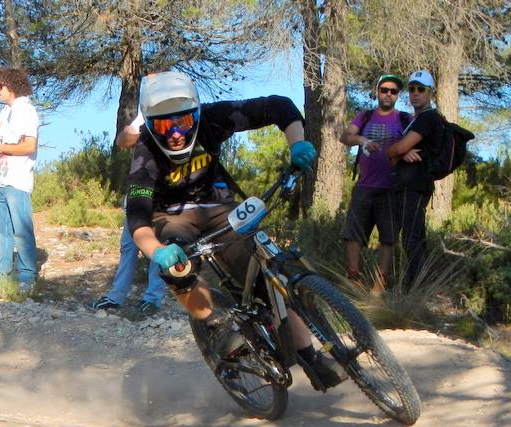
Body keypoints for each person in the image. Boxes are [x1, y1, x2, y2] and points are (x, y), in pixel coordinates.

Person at [125, 71, 346, 388]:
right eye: (163, 125)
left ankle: (311, 358)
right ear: (150, 125)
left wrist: (297, 144)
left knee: (272, 278)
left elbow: (278, 107)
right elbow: (137, 218)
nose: (175, 133)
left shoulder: (215, 119)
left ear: (197, 114)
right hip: (170, 217)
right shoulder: (145, 151)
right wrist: (157, 251)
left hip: (218, 207)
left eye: (184, 122)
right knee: (177, 269)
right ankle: (214, 325)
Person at [338, 74, 409, 292]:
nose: (388, 94)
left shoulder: (405, 119)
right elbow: (344, 136)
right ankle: (353, 277)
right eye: (384, 89)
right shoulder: (364, 116)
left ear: (398, 95)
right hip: (364, 186)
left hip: (391, 189)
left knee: (388, 238)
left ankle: (379, 285)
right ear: (377, 91)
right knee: (352, 234)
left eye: (393, 91)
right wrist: (361, 140)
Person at [92, 114, 167, 316]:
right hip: (139, 194)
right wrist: (137, 129)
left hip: (164, 195)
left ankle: (153, 299)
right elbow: (123, 141)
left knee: (156, 248)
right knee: (128, 246)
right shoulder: (147, 113)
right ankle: (116, 296)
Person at [0, 67, 40, 292]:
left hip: (18, 180)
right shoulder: (5, 112)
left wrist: (0, 147)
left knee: (22, 230)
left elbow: (29, 145)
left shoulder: (27, 110)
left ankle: (27, 277)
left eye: (0, 86)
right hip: (1, 179)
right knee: (1, 231)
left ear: (12, 86)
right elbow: (0, 147)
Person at [386, 70, 444, 288]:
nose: (416, 94)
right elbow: (392, 156)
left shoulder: (428, 118)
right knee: (412, 238)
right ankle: (416, 287)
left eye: (421, 89)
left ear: (430, 93)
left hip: (415, 186)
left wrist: (398, 151)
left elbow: (395, 149)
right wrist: (398, 153)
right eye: (412, 89)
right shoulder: (416, 120)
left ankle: (415, 290)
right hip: (406, 186)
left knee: (412, 240)